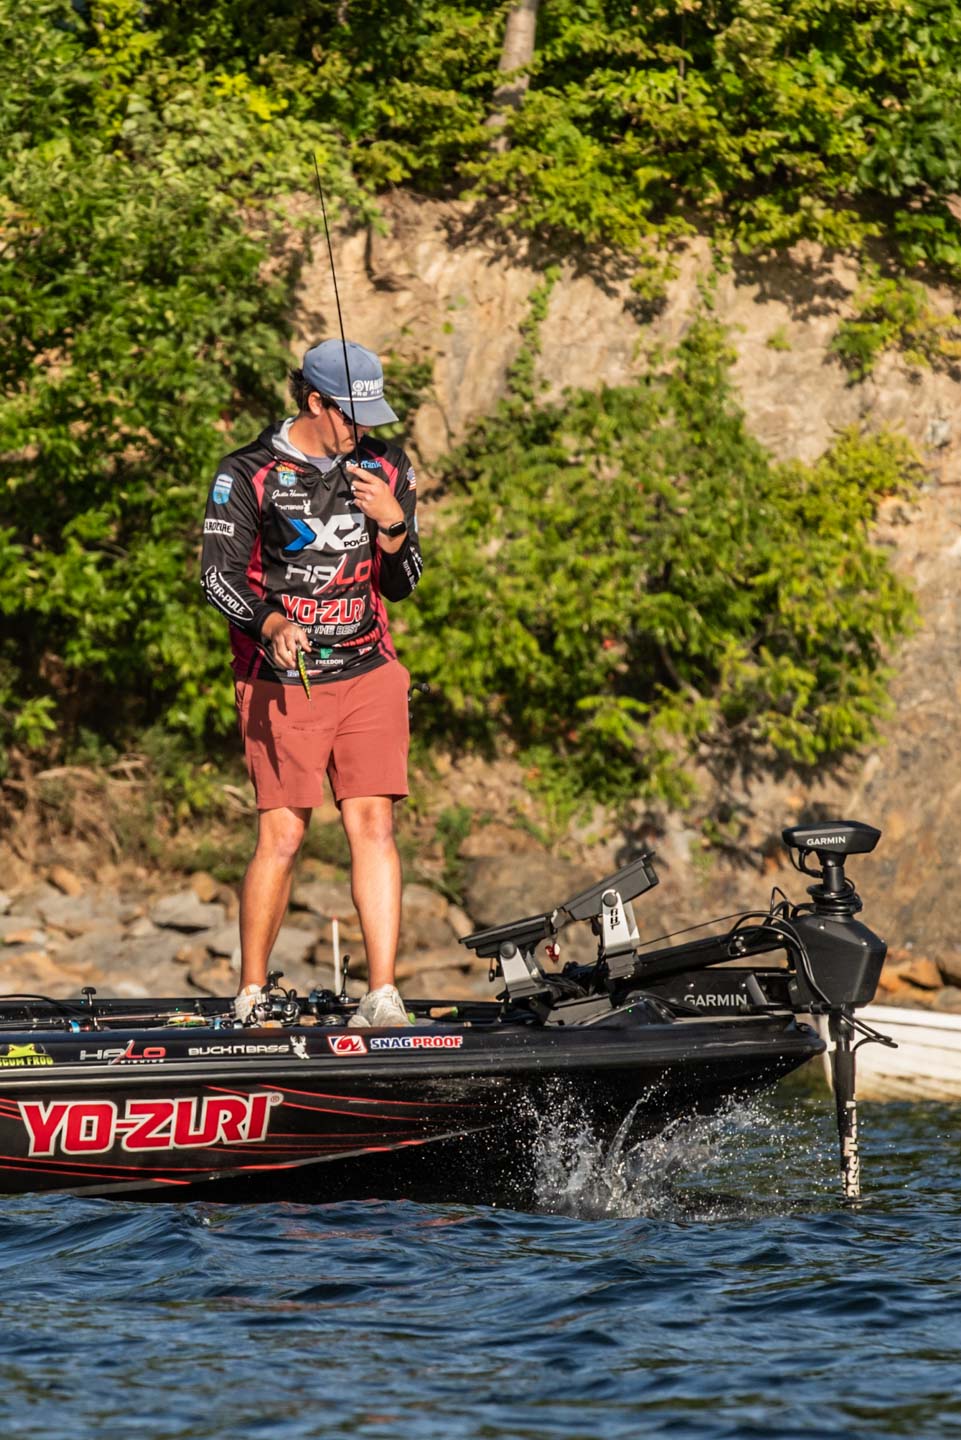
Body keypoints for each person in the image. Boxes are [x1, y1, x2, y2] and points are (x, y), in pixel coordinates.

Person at [201, 339, 423, 1027]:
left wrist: (393, 526)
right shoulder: (247, 472)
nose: (363, 429)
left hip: (368, 670)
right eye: (351, 415)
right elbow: (217, 578)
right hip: (281, 678)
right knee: (284, 834)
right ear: (315, 401)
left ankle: (381, 994)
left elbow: (403, 584)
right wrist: (270, 623)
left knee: (373, 823)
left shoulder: (388, 466)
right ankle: (251, 991)